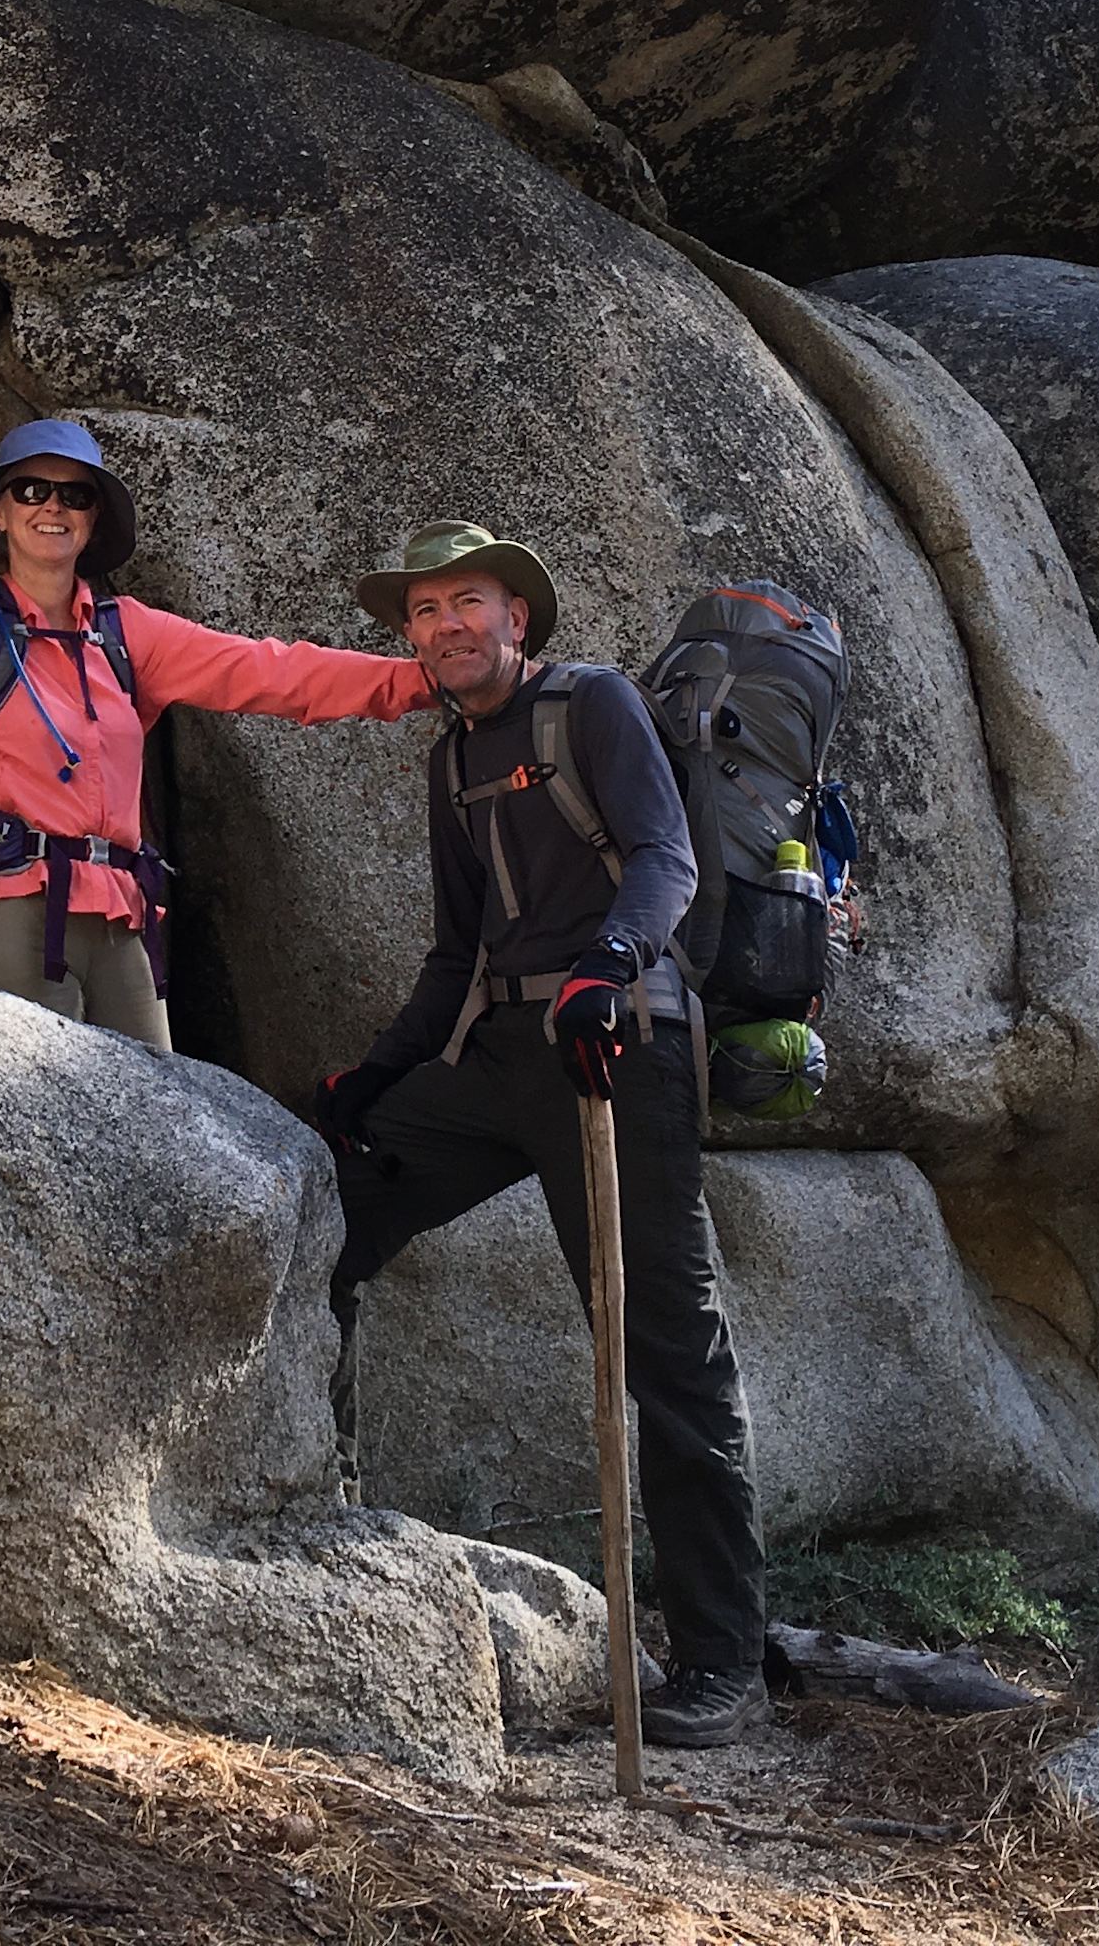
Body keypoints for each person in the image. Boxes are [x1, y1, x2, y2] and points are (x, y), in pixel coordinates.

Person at [315, 520, 771, 1747]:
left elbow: (666, 860)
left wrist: (607, 965)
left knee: (664, 1350)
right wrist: (384, 1072)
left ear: (519, 615)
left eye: (468, 601)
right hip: (502, 1059)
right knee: (328, 1219)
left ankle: (726, 1661)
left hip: (620, 1049)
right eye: (422, 611)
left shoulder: (597, 707)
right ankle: (311, 1511)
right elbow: (455, 951)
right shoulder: (451, 761)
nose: (444, 626)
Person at [0, 419, 432, 1049]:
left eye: (74, 495)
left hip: (119, 916)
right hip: (3, 908)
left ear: (95, 520)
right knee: (27, 1135)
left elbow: (273, 674)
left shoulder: (129, 634)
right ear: (0, 513)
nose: (53, 508)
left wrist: (424, 681)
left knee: (161, 1128)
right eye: (31, 490)